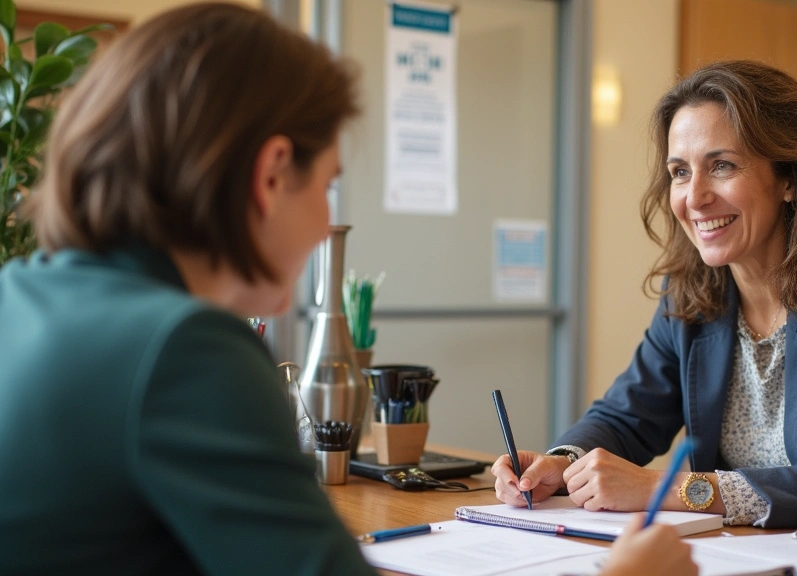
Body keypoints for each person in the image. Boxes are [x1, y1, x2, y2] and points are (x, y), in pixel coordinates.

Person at [0, 3, 696, 575]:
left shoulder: (18, 297)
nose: (330, 221)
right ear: (272, 174)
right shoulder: (183, 351)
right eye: (328, 184)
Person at [493, 59, 797, 550]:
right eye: (680, 172)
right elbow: (627, 417)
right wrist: (559, 463)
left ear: (790, 177)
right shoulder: (691, 293)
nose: (695, 197)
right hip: (761, 555)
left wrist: (658, 490)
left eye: (723, 166)